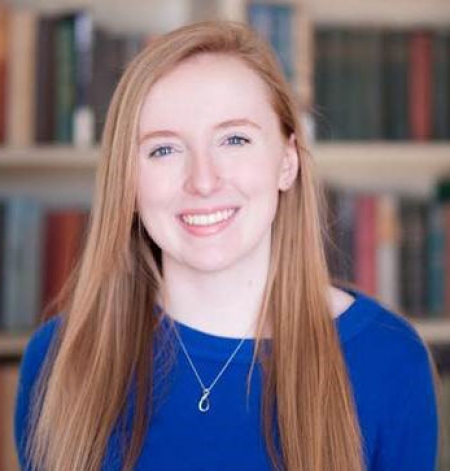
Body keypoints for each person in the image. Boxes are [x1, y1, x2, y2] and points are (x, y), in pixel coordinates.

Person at [15, 21, 439, 471]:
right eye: (163, 149)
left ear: (287, 163)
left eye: (234, 139)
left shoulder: (389, 359)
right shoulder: (59, 360)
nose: (203, 181)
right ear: (128, 182)